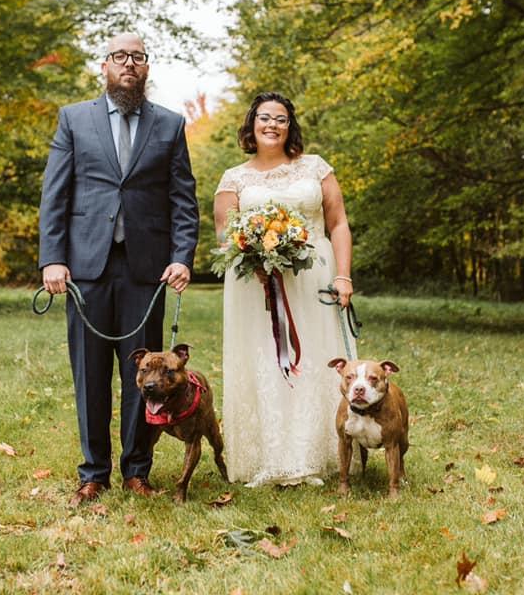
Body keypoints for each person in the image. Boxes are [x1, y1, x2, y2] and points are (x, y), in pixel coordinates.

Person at [39, 33, 198, 507]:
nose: (129, 64)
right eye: (120, 57)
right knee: (90, 375)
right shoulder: (74, 119)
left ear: (146, 67)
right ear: (104, 65)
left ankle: (137, 470)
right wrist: (52, 257)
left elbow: (182, 199)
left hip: (147, 271)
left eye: (138, 57)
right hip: (85, 269)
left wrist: (182, 256)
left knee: (145, 376)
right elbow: (55, 194)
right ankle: (93, 473)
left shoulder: (170, 124)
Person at [213, 92, 355, 487]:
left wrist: (343, 276)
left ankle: (316, 455)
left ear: (290, 126)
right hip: (256, 285)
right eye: (264, 117)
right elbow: (225, 236)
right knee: (265, 358)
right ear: (252, 124)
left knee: (315, 359)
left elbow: (338, 223)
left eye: (281, 118)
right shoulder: (234, 178)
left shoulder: (316, 167)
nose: (272, 125)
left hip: (314, 278)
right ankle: (271, 457)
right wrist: (254, 259)